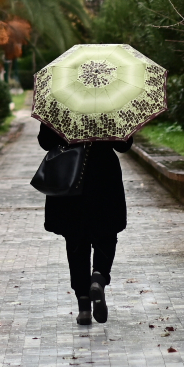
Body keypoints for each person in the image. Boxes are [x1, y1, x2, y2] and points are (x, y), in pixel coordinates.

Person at [37, 122, 134, 325]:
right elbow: (124, 145)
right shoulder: (110, 103)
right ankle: (98, 278)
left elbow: (45, 142)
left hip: (70, 177)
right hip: (104, 177)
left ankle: (83, 305)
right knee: (106, 234)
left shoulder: (60, 100)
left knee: (75, 241)